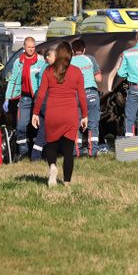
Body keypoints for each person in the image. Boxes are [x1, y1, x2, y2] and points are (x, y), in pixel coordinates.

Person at [32, 41, 88, 186]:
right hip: (70, 114)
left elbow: (41, 95)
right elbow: (82, 96)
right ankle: (67, 183)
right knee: (68, 152)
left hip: (52, 113)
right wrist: (85, 115)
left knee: (51, 145)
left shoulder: (49, 71)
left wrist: (35, 113)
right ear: (70, 55)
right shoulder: (76, 72)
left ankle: (52, 167)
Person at [4, 37, 48, 161]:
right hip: (24, 97)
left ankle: (39, 150)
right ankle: (23, 151)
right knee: (21, 126)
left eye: (33, 47)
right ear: (24, 47)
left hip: (38, 97)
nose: (31, 49)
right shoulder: (18, 62)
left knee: (39, 125)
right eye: (29, 47)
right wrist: (7, 98)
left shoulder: (40, 61)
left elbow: (45, 78)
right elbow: (13, 80)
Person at [71, 39, 104, 156]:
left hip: (75, 95)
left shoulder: (69, 61)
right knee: (93, 124)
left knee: (76, 124)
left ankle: (76, 152)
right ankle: (93, 151)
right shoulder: (90, 59)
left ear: (73, 50)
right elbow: (99, 78)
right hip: (91, 93)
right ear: (84, 50)